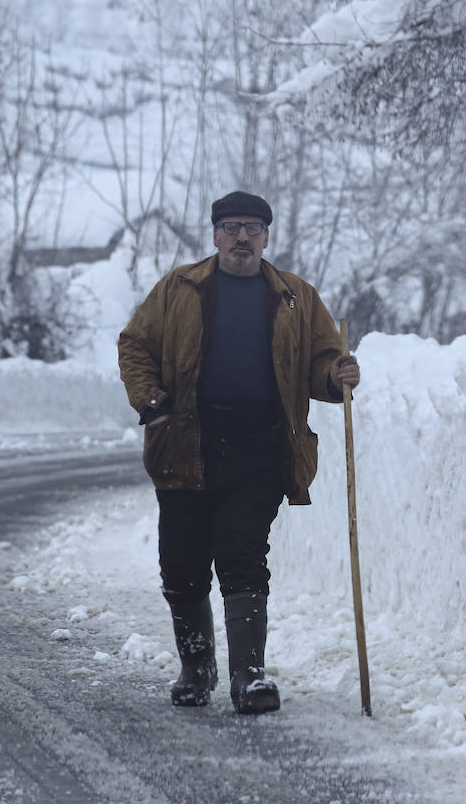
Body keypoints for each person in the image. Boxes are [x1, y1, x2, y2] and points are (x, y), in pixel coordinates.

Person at [117, 190, 360, 714]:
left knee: (242, 554)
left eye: (252, 227)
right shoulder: (179, 288)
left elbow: (321, 364)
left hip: (261, 448)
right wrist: (153, 403)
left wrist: (336, 374)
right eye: (231, 227)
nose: (242, 237)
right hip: (184, 445)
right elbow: (134, 343)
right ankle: (196, 666)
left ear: (267, 236)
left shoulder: (296, 297)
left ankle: (249, 677)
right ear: (215, 235)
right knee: (181, 563)